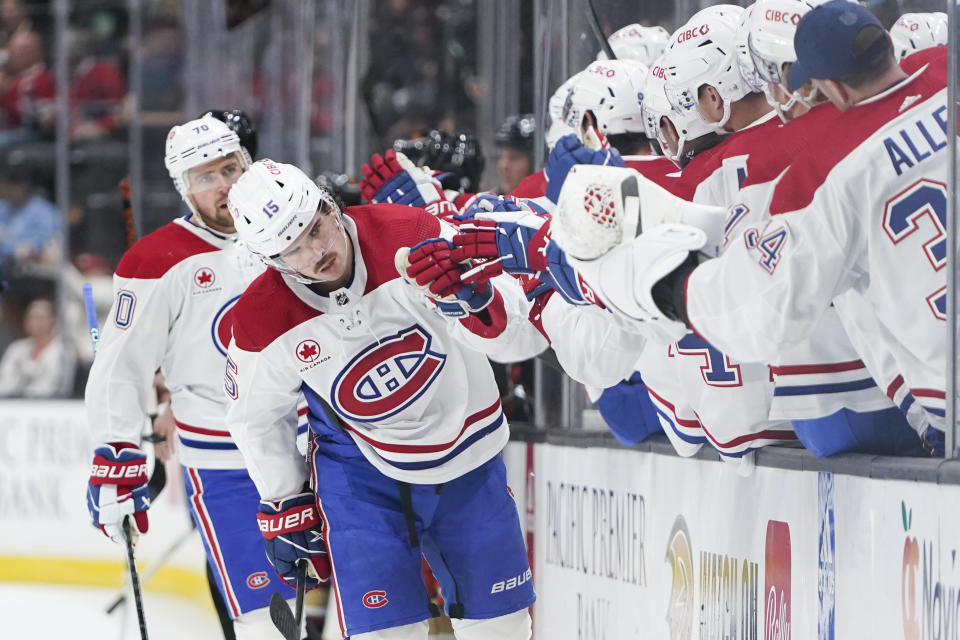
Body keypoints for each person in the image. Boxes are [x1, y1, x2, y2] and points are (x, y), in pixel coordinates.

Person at [552, 0, 950, 452]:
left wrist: (662, 284)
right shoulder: (942, 69)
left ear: (831, 88)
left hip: (910, 409)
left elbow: (758, 308)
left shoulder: (826, 165)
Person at [224, 158, 543, 639]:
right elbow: (255, 418)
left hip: (466, 448)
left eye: (315, 230)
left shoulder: (412, 231)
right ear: (271, 262)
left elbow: (520, 339)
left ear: (331, 207)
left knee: (503, 629)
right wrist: (283, 500)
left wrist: (481, 303)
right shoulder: (259, 319)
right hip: (358, 475)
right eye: (292, 251)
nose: (316, 253)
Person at [84, 114, 292, 639]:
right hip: (227, 466)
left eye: (230, 167)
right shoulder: (156, 261)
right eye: (206, 176)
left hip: (317, 450)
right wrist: (118, 449)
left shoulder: (294, 228)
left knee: (352, 613)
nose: (224, 185)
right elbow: (119, 366)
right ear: (184, 188)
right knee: (270, 623)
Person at [0, 297, 74, 397]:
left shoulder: (63, 351)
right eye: (31, 317)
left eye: (40, 318)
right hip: (14, 406)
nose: (35, 322)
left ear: (53, 321)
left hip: (49, 407)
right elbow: (4, 382)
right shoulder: (16, 348)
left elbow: (51, 386)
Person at [494, 113, 536, 195]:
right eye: (500, 157)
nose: (503, 166)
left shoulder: (551, 205)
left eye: (513, 158)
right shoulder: (488, 203)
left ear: (533, 162)